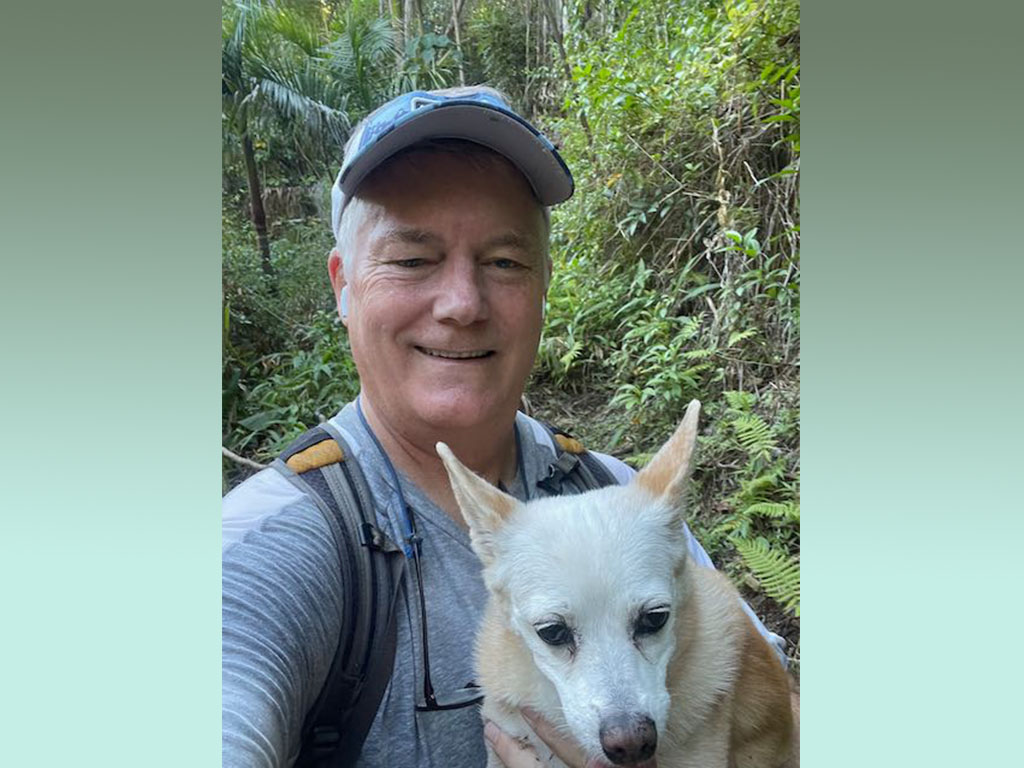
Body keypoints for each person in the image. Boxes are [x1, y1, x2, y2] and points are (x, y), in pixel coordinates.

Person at [222, 86, 789, 768]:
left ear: (544, 285)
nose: (462, 303)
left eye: (504, 262)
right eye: (411, 258)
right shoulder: (271, 544)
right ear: (342, 283)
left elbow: (779, 703)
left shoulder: (614, 491)